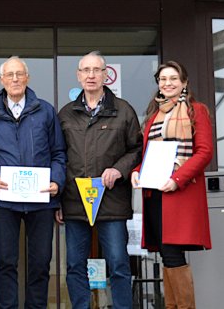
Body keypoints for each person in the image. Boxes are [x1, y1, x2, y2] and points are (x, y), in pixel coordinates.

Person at [0, 56, 66, 309]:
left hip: (42, 199)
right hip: (3, 200)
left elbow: (59, 153)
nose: (15, 79)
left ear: (27, 78)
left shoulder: (45, 111)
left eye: (19, 74)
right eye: (10, 75)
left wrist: (57, 182)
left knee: (40, 262)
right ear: (1, 80)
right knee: (5, 261)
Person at [56, 51, 143, 309]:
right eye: (86, 70)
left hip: (112, 201)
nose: (91, 75)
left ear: (106, 75)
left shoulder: (124, 111)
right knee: (74, 265)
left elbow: (137, 149)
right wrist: (58, 198)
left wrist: (118, 170)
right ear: (78, 75)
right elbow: (58, 156)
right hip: (74, 201)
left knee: (117, 263)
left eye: (96, 70)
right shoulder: (65, 114)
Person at [131, 61, 213, 309]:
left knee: (173, 253)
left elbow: (205, 152)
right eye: (162, 79)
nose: (167, 83)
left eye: (173, 78)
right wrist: (137, 172)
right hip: (155, 193)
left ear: (184, 82)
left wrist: (177, 180)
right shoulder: (154, 115)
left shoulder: (196, 110)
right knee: (167, 255)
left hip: (181, 193)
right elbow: (148, 155)